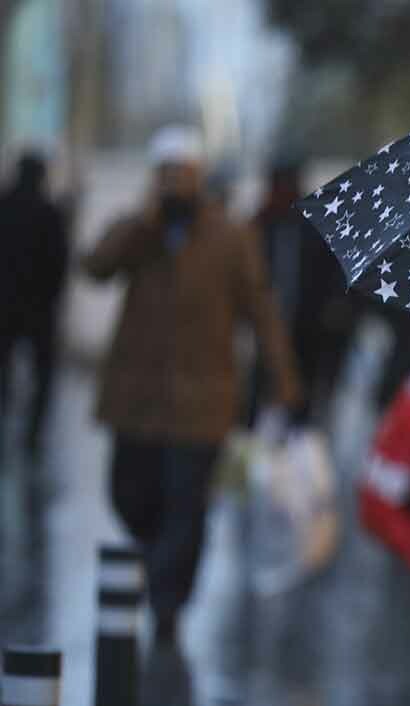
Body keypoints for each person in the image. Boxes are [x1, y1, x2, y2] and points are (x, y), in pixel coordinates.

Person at [83, 125, 300, 645]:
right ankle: (154, 557)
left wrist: (283, 378)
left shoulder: (229, 235)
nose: (175, 183)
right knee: (127, 492)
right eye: (166, 174)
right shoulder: (140, 230)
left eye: (183, 173)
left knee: (187, 506)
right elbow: (96, 267)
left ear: (199, 177)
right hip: (136, 400)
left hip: (204, 404)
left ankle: (168, 602)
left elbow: (261, 308)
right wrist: (143, 221)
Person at [249, 159, 354, 425]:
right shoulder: (257, 226)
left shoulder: (316, 227)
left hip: (307, 330)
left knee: (301, 406)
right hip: (264, 330)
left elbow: (334, 277)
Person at [0, 151, 69, 465]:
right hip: (39, 309)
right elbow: (59, 263)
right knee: (44, 375)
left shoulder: (5, 206)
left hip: (6, 306)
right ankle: (31, 436)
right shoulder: (50, 211)